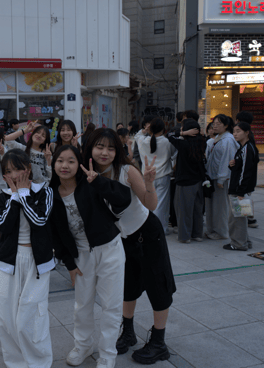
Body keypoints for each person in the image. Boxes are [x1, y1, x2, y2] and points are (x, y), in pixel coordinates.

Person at [85, 129, 176, 365]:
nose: (105, 153)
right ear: (90, 148)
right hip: (122, 240)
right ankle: (128, 332)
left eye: (111, 148)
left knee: (158, 286)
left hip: (148, 234)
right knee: (127, 287)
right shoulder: (87, 174)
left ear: (118, 150)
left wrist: (149, 183)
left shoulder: (126, 170)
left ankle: (159, 342)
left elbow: (150, 204)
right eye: (99, 147)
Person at [49, 146, 131, 368]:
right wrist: (69, 263)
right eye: (60, 161)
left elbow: (124, 199)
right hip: (81, 256)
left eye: (71, 161)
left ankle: (107, 354)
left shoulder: (91, 184)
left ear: (80, 165)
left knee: (111, 305)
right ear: (53, 164)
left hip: (109, 249)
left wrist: (99, 182)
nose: (65, 166)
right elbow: (55, 233)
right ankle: (83, 346)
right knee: (82, 305)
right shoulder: (51, 193)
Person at [0, 149, 54, 368]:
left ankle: (39, 363)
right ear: (4, 176)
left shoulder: (44, 191)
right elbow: (3, 226)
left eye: (18, 169)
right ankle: (16, 363)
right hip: (8, 262)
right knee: (6, 316)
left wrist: (25, 194)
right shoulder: (2, 197)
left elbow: (39, 220)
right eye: (8, 171)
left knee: (31, 315)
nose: (14, 175)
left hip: (37, 262)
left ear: (28, 169)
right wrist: (15, 196)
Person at [167, 119, 207, 243]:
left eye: (183, 128)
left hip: (184, 182)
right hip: (198, 181)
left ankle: (185, 236)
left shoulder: (183, 145)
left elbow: (169, 135)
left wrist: (182, 133)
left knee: (183, 210)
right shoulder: (202, 143)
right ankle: (197, 234)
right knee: (197, 210)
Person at [137, 118, 176, 236]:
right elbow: (174, 154)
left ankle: (148, 227)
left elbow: (138, 135)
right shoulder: (167, 142)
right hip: (163, 176)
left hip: (147, 177)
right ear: (163, 129)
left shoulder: (143, 141)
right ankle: (160, 229)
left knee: (147, 204)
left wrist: (144, 130)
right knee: (161, 205)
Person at [205, 114, 239, 241]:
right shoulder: (218, 138)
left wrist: (221, 178)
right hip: (213, 177)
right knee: (212, 206)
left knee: (220, 206)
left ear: (226, 125)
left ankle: (221, 232)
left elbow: (227, 160)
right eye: (214, 123)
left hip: (220, 179)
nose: (215, 126)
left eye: (218, 124)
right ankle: (212, 229)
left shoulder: (228, 140)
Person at [226, 122, 259, 251]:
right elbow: (241, 168)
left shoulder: (247, 149)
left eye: (238, 131)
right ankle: (245, 241)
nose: (235, 134)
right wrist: (232, 165)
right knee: (241, 217)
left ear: (246, 132)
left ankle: (238, 243)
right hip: (241, 190)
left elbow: (246, 172)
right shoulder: (244, 147)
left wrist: (240, 192)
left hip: (239, 191)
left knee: (236, 219)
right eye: (234, 131)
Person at [235, 111, 258, 229]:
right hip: (249, 176)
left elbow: (245, 166)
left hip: (244, 177)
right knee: (247, 196)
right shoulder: (250, 136)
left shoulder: (246, 142)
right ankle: (249, 218)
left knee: (244, 197)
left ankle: (248, 219)